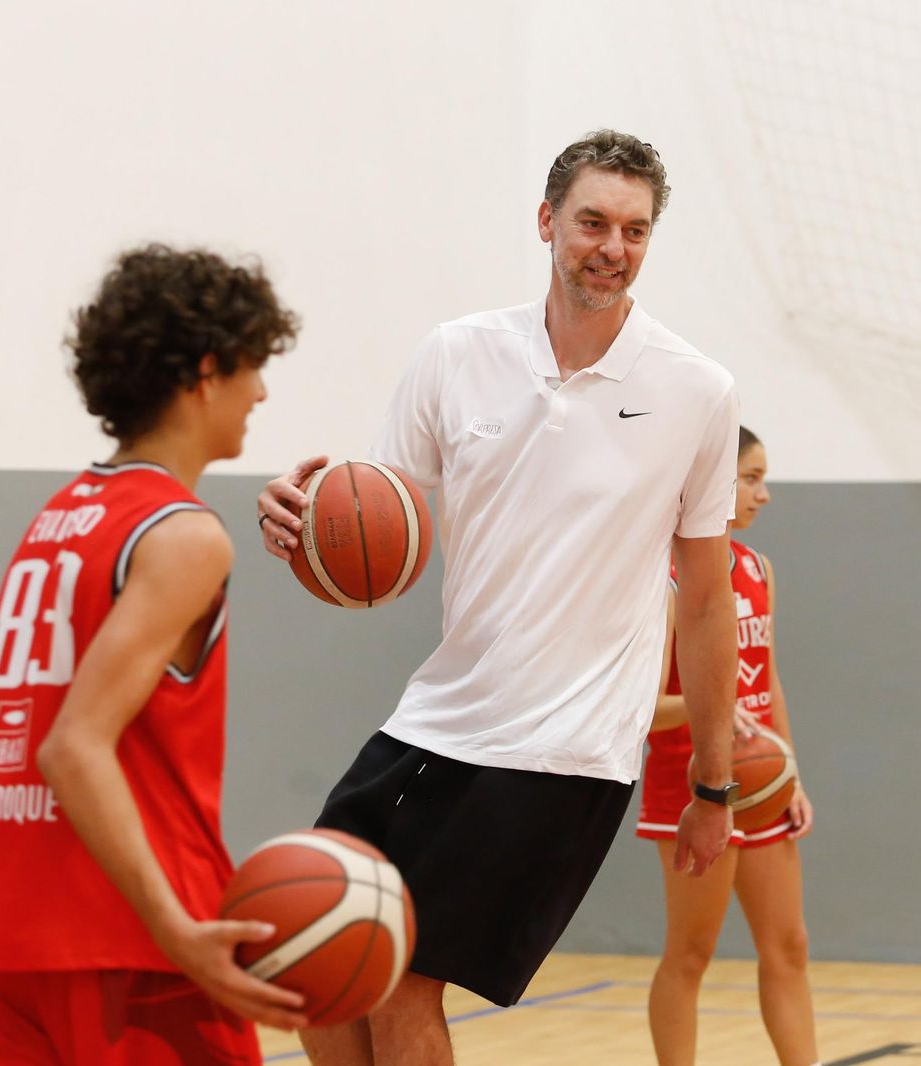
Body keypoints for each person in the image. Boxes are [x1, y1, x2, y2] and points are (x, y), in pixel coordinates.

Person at [256, 130, 743, 1066]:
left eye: (635, 230)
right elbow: (377, 514)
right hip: (438, 718)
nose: (613, 247)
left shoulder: (696, 390)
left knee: (401, 979)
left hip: (565, 748)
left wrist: (711, 785)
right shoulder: (457, 354)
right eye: (593, 222)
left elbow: (707, 600)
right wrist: (299, 518)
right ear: (546, 221)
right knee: (311, 949)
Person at [0, 244, 306, 1066]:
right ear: (206, 371)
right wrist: (177, 931)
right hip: (144, 955)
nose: (260, 392)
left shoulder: (55, 522)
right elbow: (72, 747)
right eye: (253, 365)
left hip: (22, 953)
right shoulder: (183, 535)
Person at [637, 426, 819, 1066]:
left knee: (789, 946)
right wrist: (710, 709)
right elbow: (639, 710)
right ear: (713, 483)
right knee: (691, 954)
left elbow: (769, 679)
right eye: (751, 478)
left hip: (761, 782)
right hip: (691, 784)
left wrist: (791, 773)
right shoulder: (663, 580)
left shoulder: (758, 568)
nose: (763, 494)